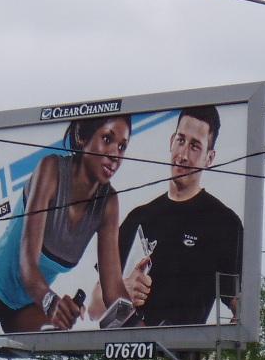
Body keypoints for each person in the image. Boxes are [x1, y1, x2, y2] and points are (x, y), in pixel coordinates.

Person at [0, 114, 133, 334]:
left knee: (64, 334)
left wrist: (148, 328)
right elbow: (27, 264)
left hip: (28, 303)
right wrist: (51, 303)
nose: (115, 155)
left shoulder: (108, 203)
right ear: (83, 137)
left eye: (122, 147)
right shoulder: (51, 169)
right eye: (107, 139)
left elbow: (113, 289)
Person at [92, 104, 242, 326]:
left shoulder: (224, 223)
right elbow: (95, 303)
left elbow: (241, 304)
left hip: (185, 347)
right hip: (127, 346)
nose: (183, 155)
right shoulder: (139, 217)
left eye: (195, 146)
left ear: (209, 158)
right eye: (180, 140)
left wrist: (235, 328)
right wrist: (122, 292)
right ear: (171, 141)